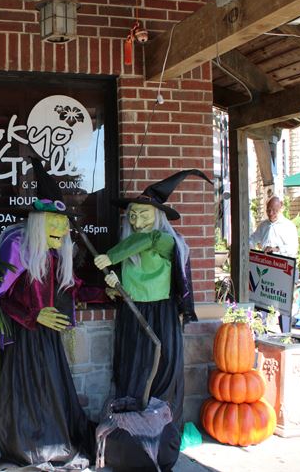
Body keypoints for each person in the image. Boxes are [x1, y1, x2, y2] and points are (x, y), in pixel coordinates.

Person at [0, 161, 110, 471]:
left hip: (49, 336)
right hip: (23, 336)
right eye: (55, 221)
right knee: (30, 394)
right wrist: (33, 316)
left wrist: (107, 293)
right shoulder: (17, 247)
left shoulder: (57, 254)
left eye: (65, 222)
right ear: (39, 222)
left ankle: (54, 443)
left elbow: (73, 290)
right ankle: (31, 449)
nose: (63, 228)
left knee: (53, 393)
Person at [93, 169, 210, 472]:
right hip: (132, 317)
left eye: (144, 214)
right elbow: (126, 279)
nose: (137, 221)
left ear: (157, 216)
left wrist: (111, 256)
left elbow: (147, 241)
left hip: (161, 316)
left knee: (159, 374)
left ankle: (160, 440)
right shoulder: (129, 244)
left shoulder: (164, 240)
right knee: (132, 370)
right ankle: (130, 441)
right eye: (132, 215)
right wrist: (115, 286)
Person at [249, 195, 299, 332]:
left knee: (284, 306)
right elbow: (252, 239)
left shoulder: (288, 226)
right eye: (268, 210)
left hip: (284, 270)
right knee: (262, 302)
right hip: (267, 269)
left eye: (274, 210)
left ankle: (286, 335)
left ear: (281, 208)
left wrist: (276, 249)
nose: (271, 213)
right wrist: (246, 246)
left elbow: (293, 249)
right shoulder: (264, 225)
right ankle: (261, 333)